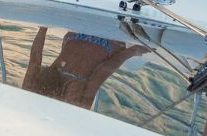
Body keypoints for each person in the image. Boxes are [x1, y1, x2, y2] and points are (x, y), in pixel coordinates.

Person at [21, 27, 149, 108]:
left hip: (108, 42)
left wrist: (133, 51)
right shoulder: (29, 91)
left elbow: (102, 71)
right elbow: (35, 59)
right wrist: (43, 28)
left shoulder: (75, 106)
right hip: (76, 35)